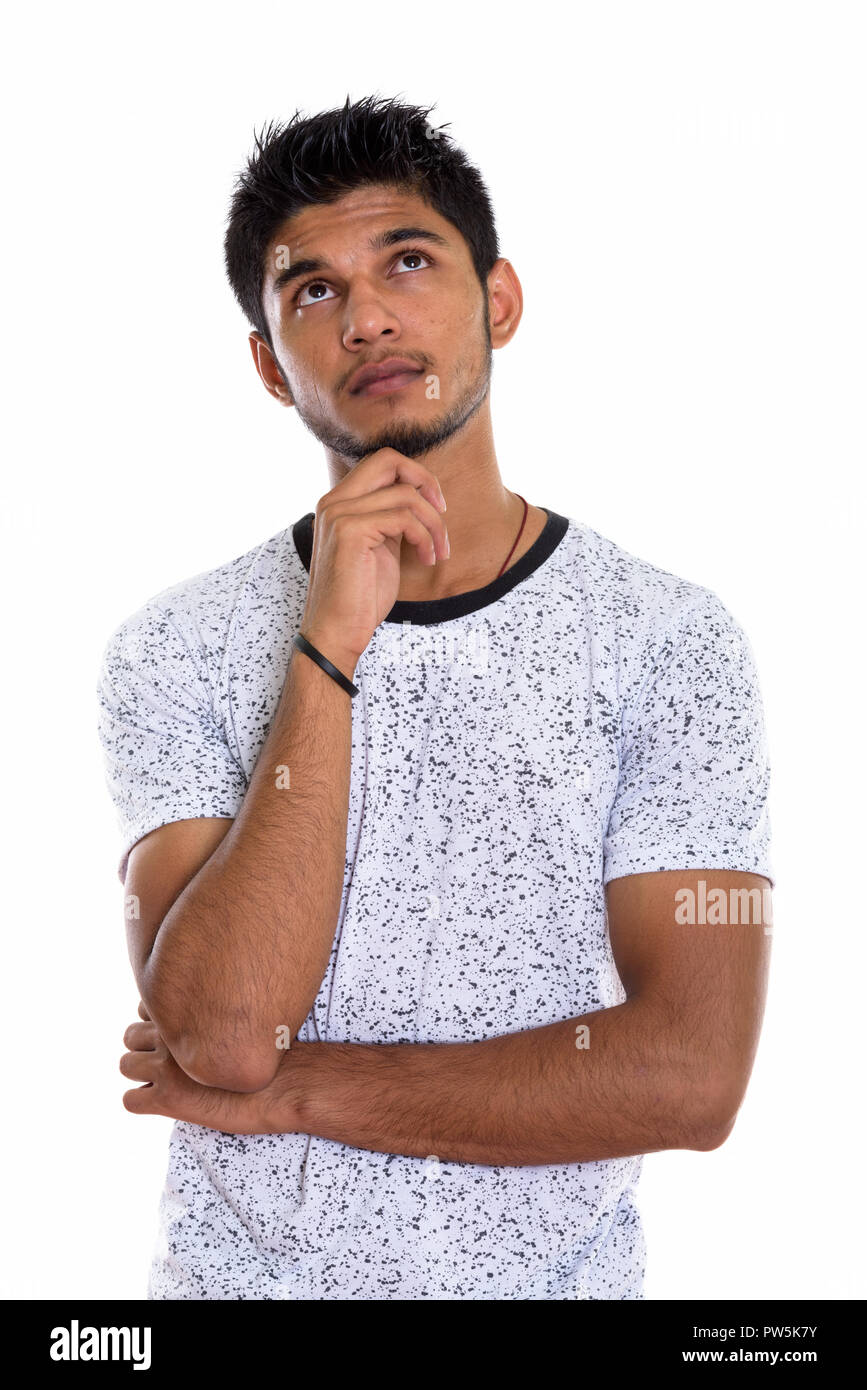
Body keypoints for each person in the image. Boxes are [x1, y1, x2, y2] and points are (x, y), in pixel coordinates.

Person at [100, 95, 774, 1301]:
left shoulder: (672, 643)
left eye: (407, 260)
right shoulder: (176, 650)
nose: (366, 316)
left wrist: (304, 1093)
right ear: (269, 362)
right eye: (312, 290)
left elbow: (690, 1076)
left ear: (498, 300)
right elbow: (222, 1037)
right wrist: (327, 648)